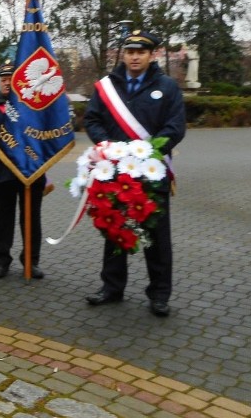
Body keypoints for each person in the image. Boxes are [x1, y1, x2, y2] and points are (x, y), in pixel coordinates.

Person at [83, 30, 186, 317]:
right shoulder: (107, 87)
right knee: (115, 229)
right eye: (130, 51)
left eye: (141, 51)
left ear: (152, 54)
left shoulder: (166, 87)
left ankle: (159, 294)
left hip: (152, 172)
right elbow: (92, 119)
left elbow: (175, 126)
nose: (135, 56)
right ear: (124, 54)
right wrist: (109, 146)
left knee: (156, 236)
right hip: (116, 171)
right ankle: (112, 288)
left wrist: (150, 151)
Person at [0, 61, 46, 279]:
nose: (7, 82)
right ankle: (1, 260)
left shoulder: (33, 104)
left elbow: (44, 133)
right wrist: (18, 139)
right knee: (3, 218)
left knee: (31, 218)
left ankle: (31, 260)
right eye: (4, 78)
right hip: (4, 171)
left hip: (32, 170)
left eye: (11, 78)